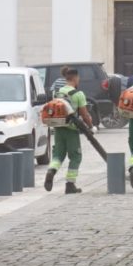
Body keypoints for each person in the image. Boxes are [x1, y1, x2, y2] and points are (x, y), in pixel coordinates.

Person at [45, 66, 95, 195]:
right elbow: (84, 114)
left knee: (58, 156)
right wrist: (91, 126)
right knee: (75, 157)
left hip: (59, 128)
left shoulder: (59, 92)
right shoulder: (78, 94)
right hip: (72, 129)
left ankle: (51, 171)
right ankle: (70, 184)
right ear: (76, 78)